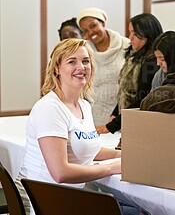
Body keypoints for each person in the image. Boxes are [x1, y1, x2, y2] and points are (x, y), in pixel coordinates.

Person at [15, 39, 146, 215]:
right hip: (48, 201)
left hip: (71, 195)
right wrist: (112, 167)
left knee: (140, 209)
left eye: (85, 61)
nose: (81, 67)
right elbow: (60, 172)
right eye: (72, 62)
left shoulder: (83, 104)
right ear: (56, 69)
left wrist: (126, 156)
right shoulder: (50, 108)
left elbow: (88, 149)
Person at [96, 13, 162, 134]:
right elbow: (124, 91)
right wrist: (115, 114)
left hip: (140, 122)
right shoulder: (133, 56)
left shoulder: (152, 61)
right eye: (130, 32)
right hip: (126, 120)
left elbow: (142, 99)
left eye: (136, 34)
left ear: (148, 35)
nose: (130, 38)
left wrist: (112, 126)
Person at [77, 8, 130, 126]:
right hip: (92, 113)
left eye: (93, 26)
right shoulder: (83, 51)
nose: (90, 32)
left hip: (120, 114)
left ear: (103, 23)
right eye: (85, 31)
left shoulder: (126, 46)